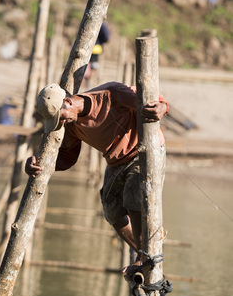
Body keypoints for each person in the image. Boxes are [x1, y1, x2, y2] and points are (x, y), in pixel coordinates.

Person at [25, 82, 169, 280]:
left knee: (133, 197)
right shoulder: (71, 124)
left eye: (61, 117)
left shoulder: (111, 95)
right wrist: (38, 164)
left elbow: (149, 101)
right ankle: (147, 249)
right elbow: (67, 158)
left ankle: (142, 259)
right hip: (115, 160)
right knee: (111, 210)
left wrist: (163, 106)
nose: (62, 123)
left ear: (68, 102)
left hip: (143, 151)